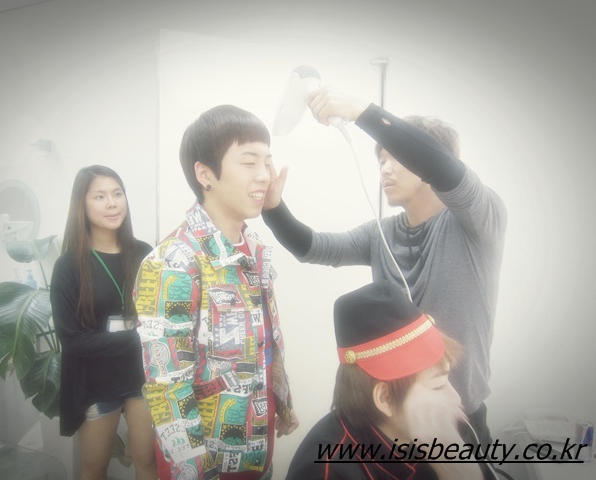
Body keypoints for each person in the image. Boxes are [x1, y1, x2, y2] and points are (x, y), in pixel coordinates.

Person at [262, 87, 507, 447]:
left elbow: (441, 166)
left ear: (425, 162)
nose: (385, 169)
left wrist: (359, 110)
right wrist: (273, 209)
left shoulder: (479, 221)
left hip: (458, 416)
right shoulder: (381, 233)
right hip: (392, 421)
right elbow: (313, 248)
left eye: (397, 157)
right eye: (381, 161)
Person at [134, 105, 299, 479]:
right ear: (205, 173)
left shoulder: (254, 248)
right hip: (206, 464)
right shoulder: (174, 262)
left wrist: (283, 403)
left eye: (267, 162)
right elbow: (167, 389)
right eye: (249, 162)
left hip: (257, 449)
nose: (264, 175)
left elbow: (265, 344)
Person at [287, 281, 493, 480]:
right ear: (385, 398)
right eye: (438, 386)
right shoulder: (325, 470)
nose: (456, 398)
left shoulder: (442, 430)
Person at [50, 165, 157, 480]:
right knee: (94, 467)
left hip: (141, 376)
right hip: (95, 381)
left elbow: (160, 315)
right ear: (81, 204)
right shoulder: (69, 265)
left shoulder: (144, 254)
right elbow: (72, 340)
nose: (112, 203)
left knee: (148, 461)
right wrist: (137, 337)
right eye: (100, 196)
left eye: (117, 194)